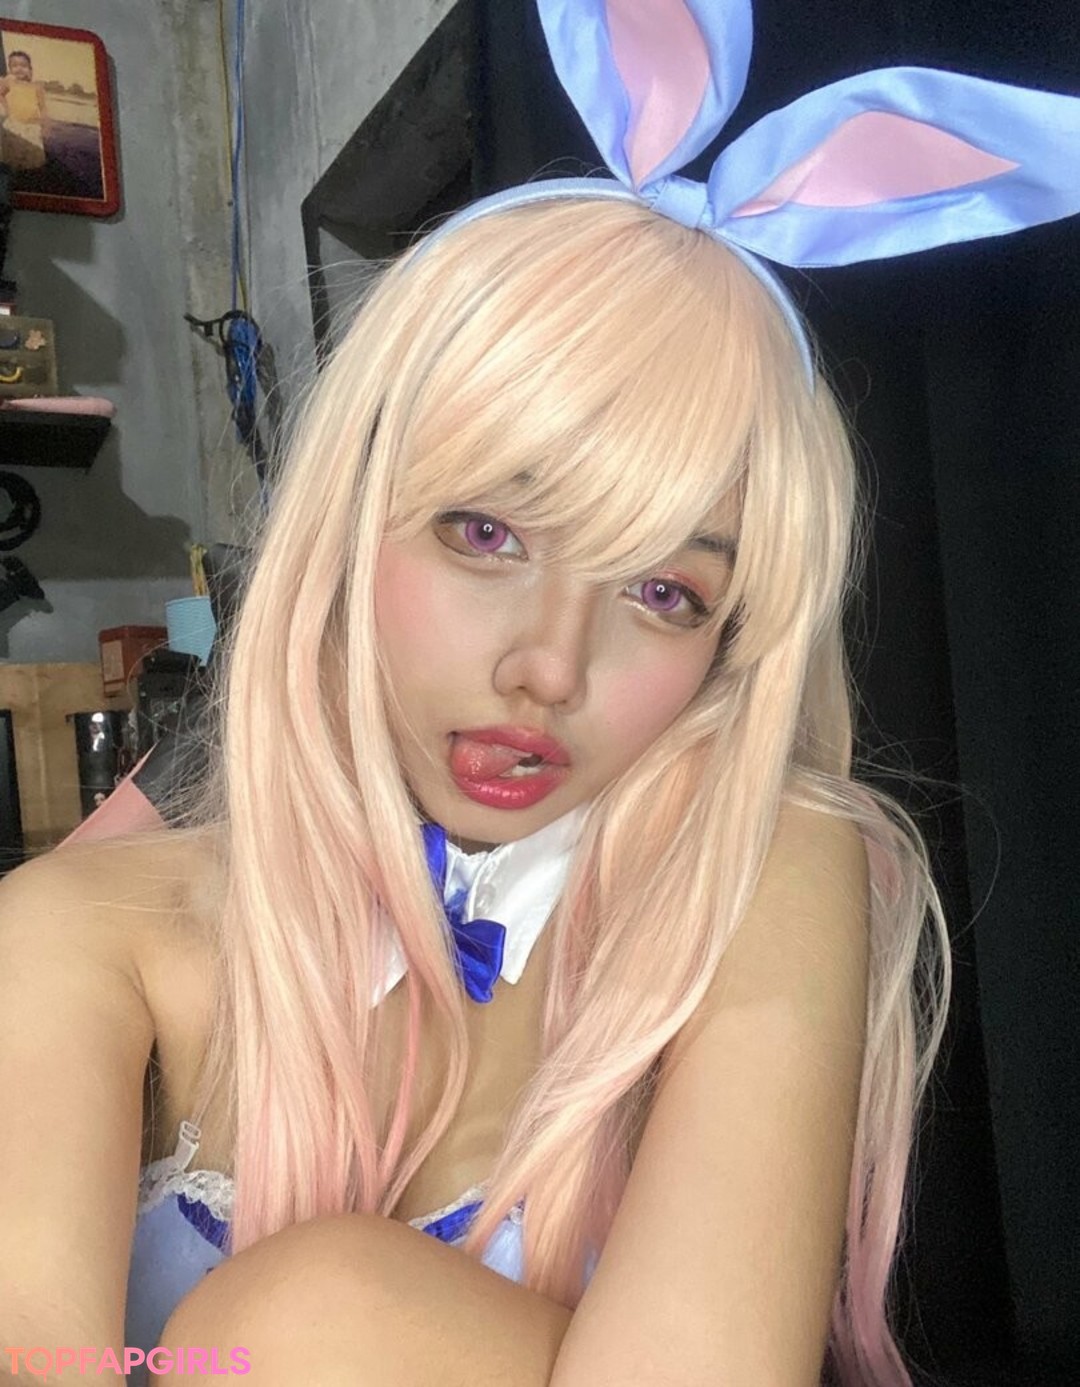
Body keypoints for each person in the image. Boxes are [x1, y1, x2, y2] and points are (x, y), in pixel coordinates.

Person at [3, 1, 1079, 1383]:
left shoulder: (759, 874)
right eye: (487, 532)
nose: (552, 667)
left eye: (666, 591)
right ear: (351, 514)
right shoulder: (73, 934)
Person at [0, 50, 48, 173]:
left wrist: (45, 126)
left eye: (23, 65)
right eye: (15, 65)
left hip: (32, 126)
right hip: (14, 124)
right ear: (10, 68)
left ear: (30, 69)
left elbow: (43, 107)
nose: (19, 69)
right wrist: (6, 107)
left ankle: (27, 175)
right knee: (12, 154)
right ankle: (13, 174)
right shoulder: (9, 82)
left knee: (31, 157)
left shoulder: (37, 86)